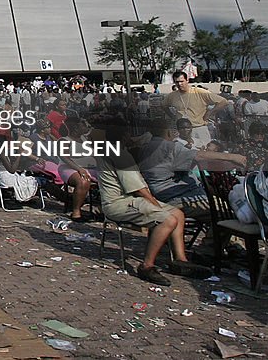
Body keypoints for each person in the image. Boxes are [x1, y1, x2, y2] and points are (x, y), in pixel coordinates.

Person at [92, 117, 209, 285]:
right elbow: (138, 189)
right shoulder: (121, 155)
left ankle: (180, 260)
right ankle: (147, 265)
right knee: (167, 220)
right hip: (118, 203)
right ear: (126, 136)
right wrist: (155, 204)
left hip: (124, 199)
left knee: (178, 213)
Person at [135, 119, 246, 220]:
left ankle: (215, 239)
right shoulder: (170, 147)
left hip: (161, 195)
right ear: (168, 132)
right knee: (230, 209)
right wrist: (233, 157)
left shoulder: (145, 148)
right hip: (178, 198)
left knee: (219, 210)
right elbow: (199, 156)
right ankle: (212, 240)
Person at [164, 72, 231, 149]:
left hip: (199, 128)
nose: (179, 84)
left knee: (206, 152)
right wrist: (173, 116)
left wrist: (210, 113)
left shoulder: (199, 92)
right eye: (177, 82)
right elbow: (164, 105)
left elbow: (223, 102)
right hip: (182, 130)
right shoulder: (172, 95)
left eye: (181, 81)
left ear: (187, 80)